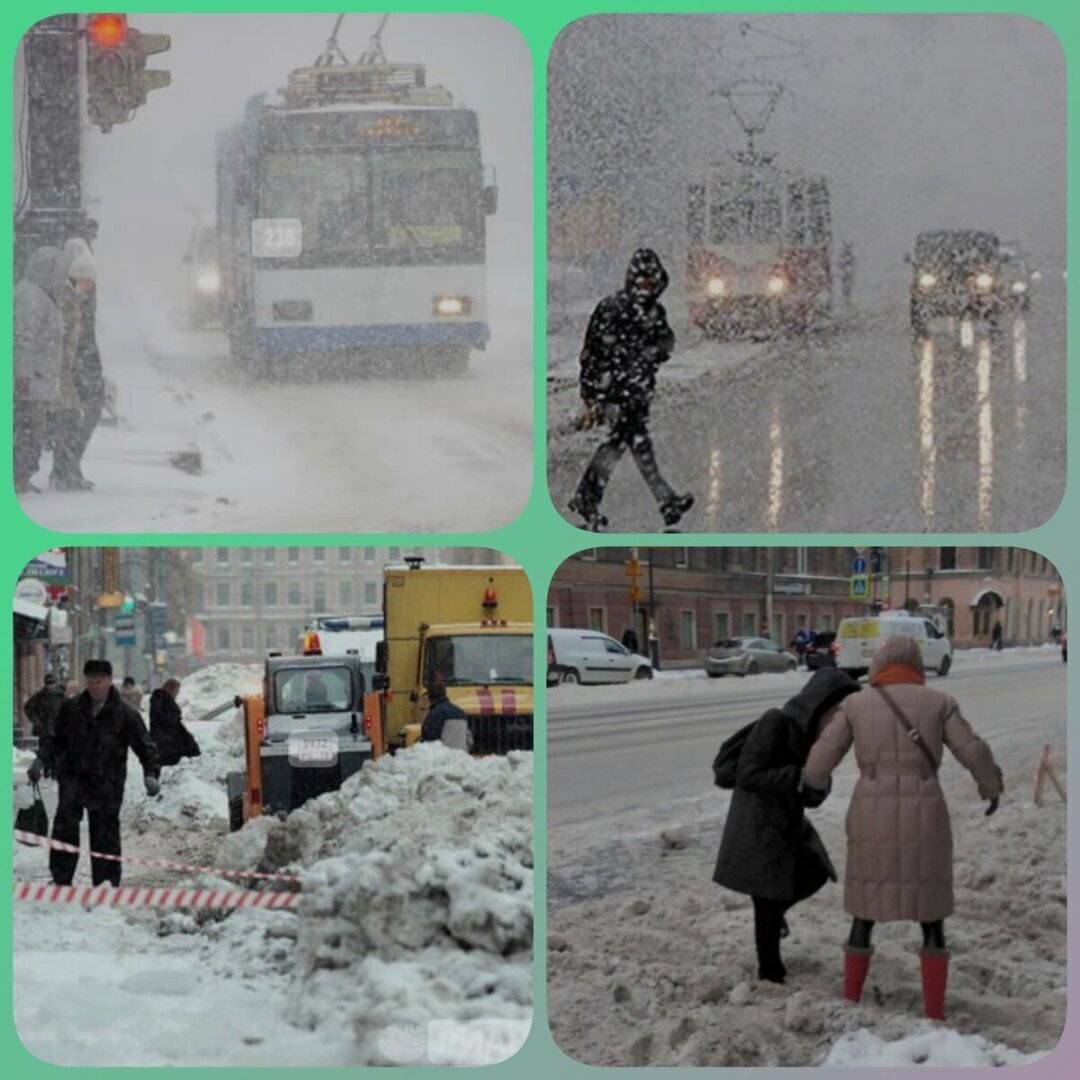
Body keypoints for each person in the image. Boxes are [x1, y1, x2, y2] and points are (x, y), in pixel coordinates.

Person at [802, 635, 1003, 1020]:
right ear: (915, 666)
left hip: (870, 812)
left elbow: (820, 760)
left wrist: (810, 782)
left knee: (864, 910)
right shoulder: (939, 703)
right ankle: (934, 1011)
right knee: (931, 914)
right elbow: (973, 750)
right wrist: (990, 786)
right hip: (925, 812)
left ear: (878, 666)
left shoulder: (856, 704)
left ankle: (850, 998)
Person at [713, 668, 860, 984]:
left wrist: (818, 785)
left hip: (786, 827)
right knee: (765, 900)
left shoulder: (814, 739)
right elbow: (748, 776)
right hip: (757, 826)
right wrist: (797, 776)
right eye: (837, 713)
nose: (839, 722)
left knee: (815, 872)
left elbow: (810, 796)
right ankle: (771, 975)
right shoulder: (775, 722)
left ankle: (775, 927)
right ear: (820, 704)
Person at [568, 248, 694, 530]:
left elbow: (665, 345)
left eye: (653, 280)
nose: (649, 286)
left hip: (638, 391)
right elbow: (593, 353)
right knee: (635, 443)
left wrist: (653, 351)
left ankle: (587, 498)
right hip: (616, 392)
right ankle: (665, 500)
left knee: (619, 444)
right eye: (644, 280)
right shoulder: (612, 308)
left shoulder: (653, 311)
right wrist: (593, 393)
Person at [28, 659, 161, 887]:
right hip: (73, 778)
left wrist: (151, 774)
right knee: (64, 829)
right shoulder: (71, 708)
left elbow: (145, 745)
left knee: (105, 834)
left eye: (99, 681)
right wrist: (40, 760)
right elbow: (56, 740)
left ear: (109, 681)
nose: (94, 686)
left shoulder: (125, 714)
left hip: (106, 783)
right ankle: (61, 880)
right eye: (90, 681)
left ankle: (105, 884)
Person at [14, 245, 74, 493]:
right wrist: (23, 375)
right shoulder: (32, 298)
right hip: (30, 382)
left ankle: (20, 476)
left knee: (29, 432)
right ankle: (17, 478)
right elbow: (22, 338)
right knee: (28, 432)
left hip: (37, 380)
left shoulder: (38, 294)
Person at [59, 237, 105, 490]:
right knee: (74, 416)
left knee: (81, 415)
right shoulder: (65, 298)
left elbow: (85, 335)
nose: (88, 287)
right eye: (84, 282)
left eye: (90, 283)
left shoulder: (81, 295)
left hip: (81, 362)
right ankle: (67, 470)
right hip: (72, 366)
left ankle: (68, 468)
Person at [149, 678, 201, 767]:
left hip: (168, 734)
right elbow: (163, 718)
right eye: (176, 691)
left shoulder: (164, 698)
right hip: (164, 736)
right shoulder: (160, 699)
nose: (177, 693)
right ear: (170, 689)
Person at [420, 681, 471, 750]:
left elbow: (429, 739)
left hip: (444, 757)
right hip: (461, 756)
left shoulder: (436, 713)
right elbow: (469, 740)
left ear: (430, 698)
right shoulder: (461, 713)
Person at [24, 673, 65, 748]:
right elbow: (28, 707)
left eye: (52, 683)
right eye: (48, 683)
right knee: (44, 753)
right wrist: (36, 721)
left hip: (59, 730)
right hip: (44, 731)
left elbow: (68, 710)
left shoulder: (61, 696)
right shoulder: (40, 696)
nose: (50, 686)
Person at [838, 240, 855, 307]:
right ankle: (846, 299)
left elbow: (852, 265)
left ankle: (847, 299)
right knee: (845, 286)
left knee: (848, 286)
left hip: (848, 274)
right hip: (845, 274)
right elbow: (840, 264)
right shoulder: (843, 256)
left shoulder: (851, 257)